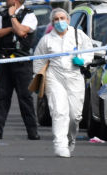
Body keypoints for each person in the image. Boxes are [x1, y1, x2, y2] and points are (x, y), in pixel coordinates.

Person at [32, 8, 93, 157]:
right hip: (55, 77)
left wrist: (83, 60)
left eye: (62, 18)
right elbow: (39, 60)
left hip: (74, 77)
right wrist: (38, 79)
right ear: (52, 22)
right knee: (59, 111)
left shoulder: (78, 36)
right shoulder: (47, 40)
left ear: (68, 20)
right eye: (56, 19)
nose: (60, 22)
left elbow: (89, 51)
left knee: (74, 116)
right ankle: (60, 144)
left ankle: (70, 139)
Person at [0, 0, 40, 140]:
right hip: (5, 61)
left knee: (25, 97)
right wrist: (11, 28)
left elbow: (22, 32)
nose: (5, 1)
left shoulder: (30, 15)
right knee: (2, 97)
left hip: (21, 62)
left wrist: (12, 19)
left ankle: (32, 131)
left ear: (16, 0)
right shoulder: (2, 14)